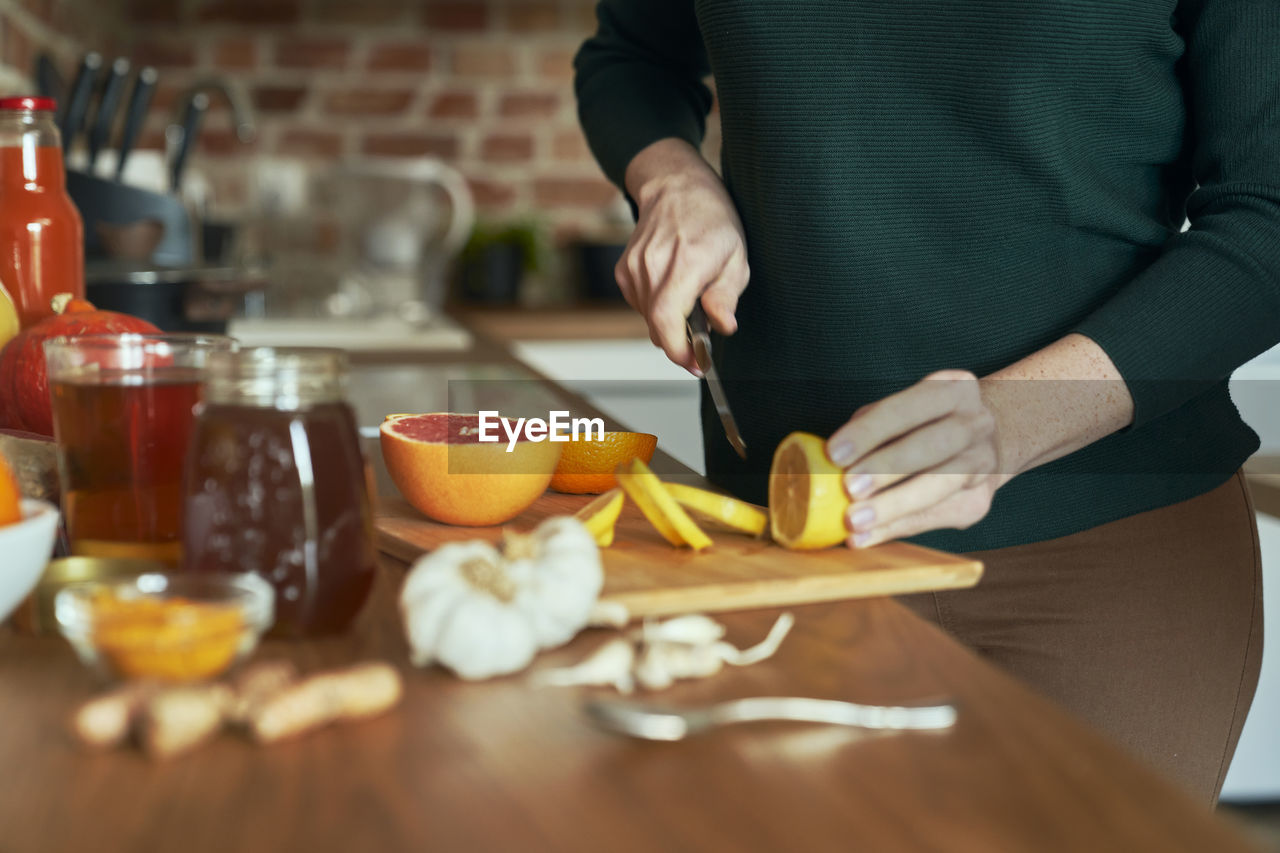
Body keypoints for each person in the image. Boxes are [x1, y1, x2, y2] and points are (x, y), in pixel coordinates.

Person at [574, 0, 1277, 804]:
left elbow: (1270, 213)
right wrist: (671, 177)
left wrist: (1013, 421)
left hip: (1111, 562)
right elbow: (631, 54)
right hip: (782, 550)